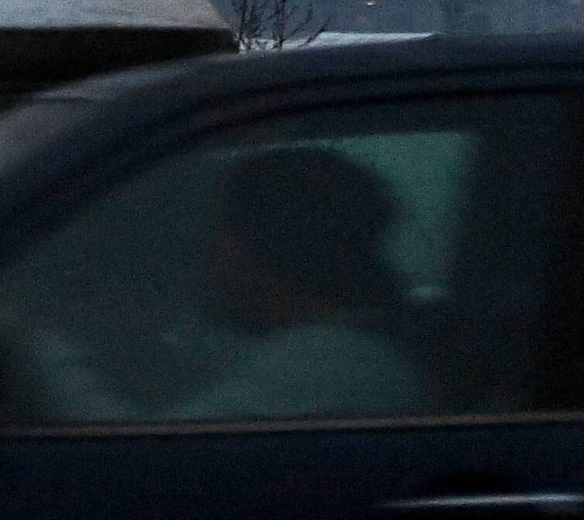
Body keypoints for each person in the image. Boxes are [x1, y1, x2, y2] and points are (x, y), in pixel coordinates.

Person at [166, 144, 431, 421]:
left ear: (254, 249)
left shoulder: (326, 360)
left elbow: (160, 451)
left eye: (216, 232)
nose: (202, 252)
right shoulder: (356, 346)